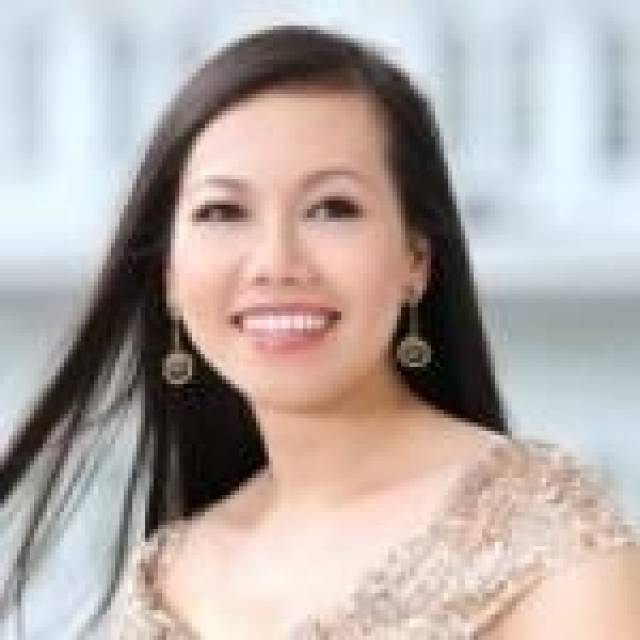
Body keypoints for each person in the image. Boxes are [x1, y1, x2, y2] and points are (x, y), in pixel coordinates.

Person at [1, 24, 639, 640]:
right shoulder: (168, 576)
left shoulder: (542, 539)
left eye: (332, 208)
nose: (276, 262)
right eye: (223, 211)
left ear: (416, 258)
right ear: (168, 274)